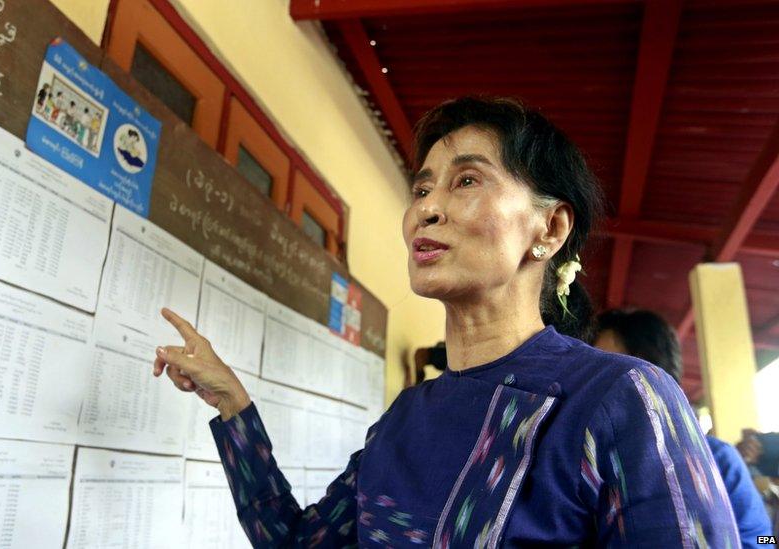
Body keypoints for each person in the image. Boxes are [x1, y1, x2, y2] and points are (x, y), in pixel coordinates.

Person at [153, 97, 739, 546]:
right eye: (422, 187)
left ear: (551, 229)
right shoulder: (404, 419)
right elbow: (297, 541)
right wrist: (233, 406)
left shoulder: (621, 401)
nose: (426, 209)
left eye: (466, 180)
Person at [594, 308, 774, 548]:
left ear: (662, 380)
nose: (595, 389)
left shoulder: (719, 459)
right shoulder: (590, 464)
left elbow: (763, 541)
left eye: (612, 375)